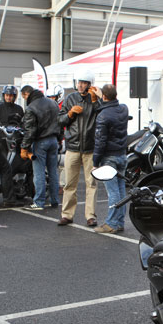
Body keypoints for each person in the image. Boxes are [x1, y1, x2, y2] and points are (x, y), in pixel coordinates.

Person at [57, 69, 101, 227]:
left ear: (90, 85)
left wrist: (96, 100)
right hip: (73, 146)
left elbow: (102, 115)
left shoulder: (95, 100)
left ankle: (91, 215)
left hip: (90, 147)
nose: (80, 85)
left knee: (92, 183)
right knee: (69, 183)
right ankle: (67, 214)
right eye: (79, 82)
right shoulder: (70, 98)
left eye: (84, 83)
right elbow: (60, 120)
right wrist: (69, 114)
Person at [92, 84, 128, 234]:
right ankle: (119, 222)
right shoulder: (124, 109)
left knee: (113, 192)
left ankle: (111, 223)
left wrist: (95, 162)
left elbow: (100, 141)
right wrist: (102, 97)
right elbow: (112, 106)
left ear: (104, 97)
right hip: (121, 154)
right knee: (121, 191)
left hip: (109, 158)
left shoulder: (103, 115)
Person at [20, 85, 61, 211]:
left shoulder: (31, 107)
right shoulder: (53, 103)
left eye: (23, 96)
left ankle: (39, 202)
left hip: (40, 142)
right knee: (53, 172)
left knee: (39, 173)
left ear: (27, 94)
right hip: (54, 140)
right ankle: (55, 200)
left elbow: (30, 130)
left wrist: (24, 147)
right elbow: (60, 122)